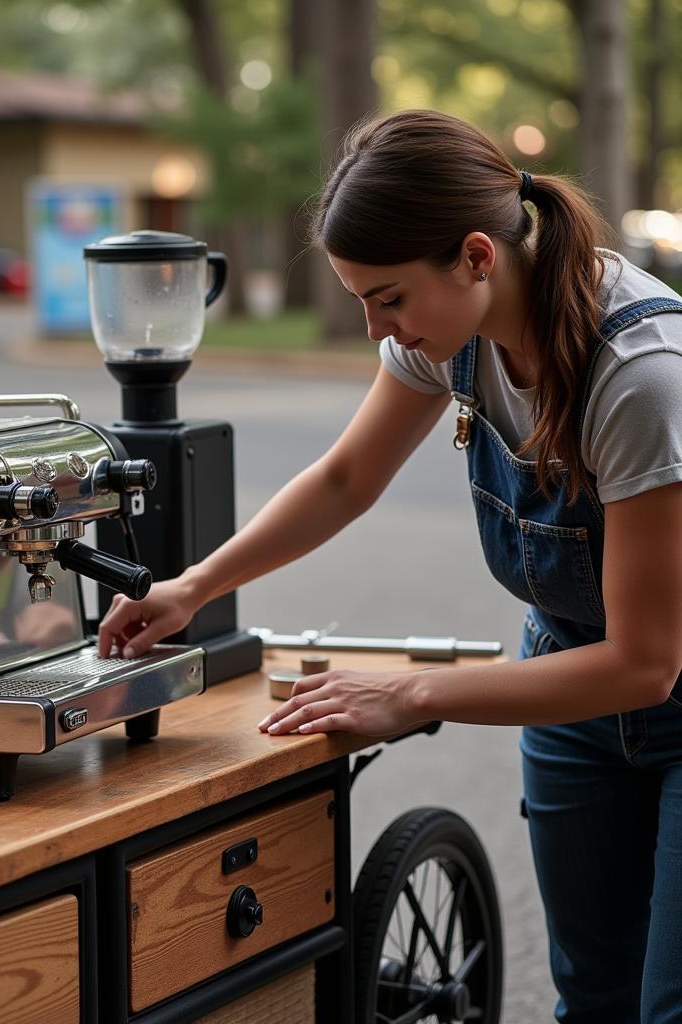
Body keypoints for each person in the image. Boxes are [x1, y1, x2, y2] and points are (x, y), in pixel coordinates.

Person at [97, 109, 682, 1024]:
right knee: (593, 998)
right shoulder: (446, 339)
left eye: (389, 297)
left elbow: (647, 666)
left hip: (662, 688)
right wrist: (192, 587)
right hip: (572, 676)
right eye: (362, 299)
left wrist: (414, 694)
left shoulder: (640, 376)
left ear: (478, 257)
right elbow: (342, 479)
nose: (378, 326)